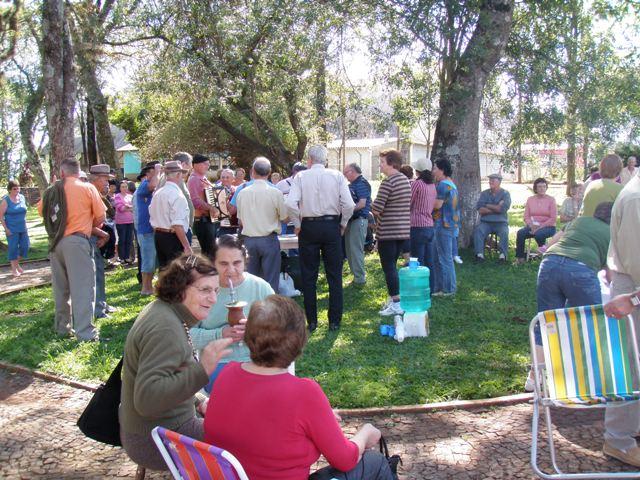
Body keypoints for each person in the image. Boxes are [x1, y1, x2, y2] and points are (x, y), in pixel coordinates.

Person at [204, 295, 395, 480]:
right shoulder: (304, 393)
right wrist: (366, 434)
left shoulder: (227, 374)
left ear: (248, 336)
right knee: (374, 462)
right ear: (299, 341)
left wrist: (319, 418)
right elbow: (345, 459)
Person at [119, 253, 233, 471]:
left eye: (215, 290)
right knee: (246, 438)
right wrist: (202, 369)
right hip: (155, 439)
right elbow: (147, 400)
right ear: (180, 289)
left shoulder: (164, 311)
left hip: (152, 428)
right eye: (205, 290)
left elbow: (170, 375)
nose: (213, 299)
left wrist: (198, 399)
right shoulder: (166, 328)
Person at [525, 202, 613, 392]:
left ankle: (534, 378)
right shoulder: (612, 233)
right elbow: (610, 272)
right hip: (581, 270)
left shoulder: (579, 221)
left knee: (547, 321)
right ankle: (588, 378)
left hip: (549, 263)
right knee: (591, 322)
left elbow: (553, 241)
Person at [190, 234, 274, 391]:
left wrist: (256, 330)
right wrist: (220, 334)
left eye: (237, 263)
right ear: (212, 263)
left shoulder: (260, 287)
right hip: (218, 362)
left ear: (245, 261)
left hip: (258, 360)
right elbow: (186, 337)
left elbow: (282, 330)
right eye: (223, 264)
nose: (231, 270)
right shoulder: (201, 291)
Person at [286, 145, 355, 332]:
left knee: (309, 275)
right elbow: (348, 204)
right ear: (325, 160)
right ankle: (334, 321)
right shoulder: (337, 175)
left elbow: (290, 203)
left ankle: (312, 321)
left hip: (308, 226)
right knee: (334, 274)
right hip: (331, 225)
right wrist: (344, 223)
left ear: (309, 159)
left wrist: (297, 224)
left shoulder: (300, 176)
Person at [40, 159, 106, 342]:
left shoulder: (52, 190)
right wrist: (86, 224)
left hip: (55, 242)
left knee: (61, 288)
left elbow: (43, 213)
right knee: (83, 287)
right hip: (77, 241)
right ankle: (85, 332)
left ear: (62, 173)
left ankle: (62, 328)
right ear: (78, 172)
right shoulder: (87, 188)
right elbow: (101, 216)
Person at [602, 167, 640, 467]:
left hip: (633, 288)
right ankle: (618, 440)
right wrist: (636, 298)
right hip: (634, 291)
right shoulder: (637, 197)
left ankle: (630, 428)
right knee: (629, 366)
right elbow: (636, 259)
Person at [236, 157, 288, 292]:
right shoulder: (275, 192)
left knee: (250, 282)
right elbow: (285, 217)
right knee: (271, 282)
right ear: (269, 172)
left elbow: (240, 220)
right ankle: (270, 310)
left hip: (248, 240)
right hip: (269, 239)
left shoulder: (242, 193)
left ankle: (252, 310)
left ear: (252, 172)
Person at [372, 149, 412, 314]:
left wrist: (369, 204)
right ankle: (393, 298)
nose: (380, 165)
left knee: (389, 268)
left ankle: (396, 302)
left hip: (388, 232)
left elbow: (376, 208)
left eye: (382, 162)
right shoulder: (405, 180)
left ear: (391, 163)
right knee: (393, 267)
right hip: (402, 231)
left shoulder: (388, 182)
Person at [149, 161, 192, 268]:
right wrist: (186, 246)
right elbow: (177, 224)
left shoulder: (158, 193)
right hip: (173, 237)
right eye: (181, 173)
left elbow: (151, 213)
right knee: (176, 273)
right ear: (178, 174)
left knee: (164, 271)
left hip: (159, 235)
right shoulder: (177, 195)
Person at [87, 165, 116, 318]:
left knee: (99, 271)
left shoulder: (97, 194)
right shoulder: (88, 193)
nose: (107, 183)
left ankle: (102, 304)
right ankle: (98, 309)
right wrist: (103, 234)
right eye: (105, 179)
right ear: (96, 179)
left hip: (97, 235)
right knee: (95, 274)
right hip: (91, 237)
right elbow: (86, 221)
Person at [431, 158, 460, 296]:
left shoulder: (442, 185)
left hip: (443, 225)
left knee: (445, 258)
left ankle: (449, 289)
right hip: (451, 225)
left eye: (435, 168)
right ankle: (441, 287)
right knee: (440, 257)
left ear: (442, 170)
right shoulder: (451, 184)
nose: (433, 171)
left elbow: (437, 205)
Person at [515, 178, 557, 264]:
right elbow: (526, 216)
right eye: (540, 187)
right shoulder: (530, 199)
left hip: (548, 226)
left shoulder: (551, 200)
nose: (542, 188)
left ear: (546, 188)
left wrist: (539, 227)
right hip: (533, 226)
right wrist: (531, 225)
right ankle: (520, 258)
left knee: (539, 234)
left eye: (544, 186)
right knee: (520, 233)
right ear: (535, 188)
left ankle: (543, 254)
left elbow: (553, 218)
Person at [343, 162, 372, 286]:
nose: (345, 175)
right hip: (351, 220)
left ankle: (360, 278)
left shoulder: (361, 183)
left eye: (346, 173)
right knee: (349, 249)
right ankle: (356, 276)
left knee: (356, 249)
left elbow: (362, 203)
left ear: (353, 171)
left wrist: (347, 210)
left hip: (359, 219)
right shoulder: (353, 184)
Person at [135, 162, 161, 295]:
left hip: (152, 230)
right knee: (148, 260)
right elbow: (153, 185)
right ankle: (145, 288)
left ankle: (150, 287)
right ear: (149, 172)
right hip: (146, 231)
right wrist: (157, 172)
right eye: (155, 171)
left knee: (153, 260)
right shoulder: (145, 184)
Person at [473, 173, 511, 263]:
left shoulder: (505, 194)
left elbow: (503, 209)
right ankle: (479, 255)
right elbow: (480, 210)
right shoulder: (484, 193)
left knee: (504, 232)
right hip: (486, 222)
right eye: (490, 180)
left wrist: (487, 206)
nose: (490, 182)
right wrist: (496, 207)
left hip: (501, 222)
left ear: (499, 182)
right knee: (478, 231)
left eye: (493, 180)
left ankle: (503, 256)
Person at [188, 154, 219, 258]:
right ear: (196, 165)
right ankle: (207, 273)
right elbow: (195, 200)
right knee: (208, 253)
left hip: (209, 219)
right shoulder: (194, 179)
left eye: (208, 164)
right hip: (202, 220)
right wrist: (211, 208)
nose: (207, 167)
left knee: (212, 251)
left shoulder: (203, 178)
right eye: (205, 164)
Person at [408, 157, 436, 275]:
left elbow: (408, 203)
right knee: (429, 261)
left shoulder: (417, 184)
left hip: (417, 227)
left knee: (417, 260)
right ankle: (430, 288)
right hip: (429, 226)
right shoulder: (432, 186)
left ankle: (418, 289)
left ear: (417, 171)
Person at [1, 180, 29, 277]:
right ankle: (14, 269)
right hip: (11, 229)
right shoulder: (6, 200)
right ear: (9, 190)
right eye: (14, 189)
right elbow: (1, 216)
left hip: (23, 228)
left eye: (18, 188)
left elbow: (24, 212)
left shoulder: (22, 198)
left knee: (25, 247)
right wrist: (6, 229)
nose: (17, 190)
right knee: (13, 249)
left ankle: (16, 265)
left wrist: (25, 223)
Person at [114, 180, 135, 264]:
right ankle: (121, 257)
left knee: (129, 239)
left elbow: (134, 207)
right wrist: (129, 208)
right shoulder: (117, 196)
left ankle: (127, 257)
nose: (124, 188)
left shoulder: (130, 196)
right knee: (122, 239)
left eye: (126, 186)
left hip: (130, 221)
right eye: (122, 187)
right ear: (119, 188)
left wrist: (127, 207)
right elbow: (120, 208)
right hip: (121, 222)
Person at [216, 168, 239, 237]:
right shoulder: (216, 190)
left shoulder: (237, 190)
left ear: (233, 179)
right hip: (220, 226)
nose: (225, 179)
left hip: (235, 225)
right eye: (223, 177)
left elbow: (234, 210)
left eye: (227, 177)